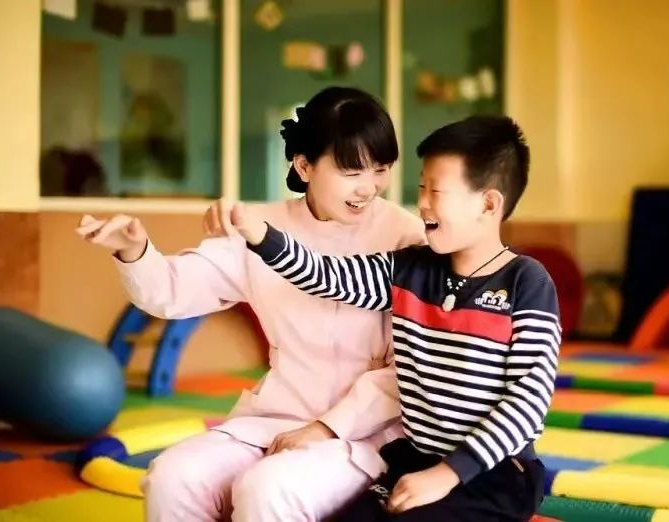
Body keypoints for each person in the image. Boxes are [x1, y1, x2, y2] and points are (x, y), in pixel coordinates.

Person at [75, 86, 424, 522]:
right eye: (352, 171)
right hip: (274, 419)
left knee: (268, 489)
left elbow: (411, 369)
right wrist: (134, 250)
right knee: (172, 478)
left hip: (368, 434)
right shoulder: (261, 227)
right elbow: (171, 292)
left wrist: (327, 428)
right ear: (305, 166)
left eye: (381, 169)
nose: (369, 187)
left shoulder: (406, 235)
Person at [233, 115, 560, 521]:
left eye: (436, 191)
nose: (422, 203)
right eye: (421, 187)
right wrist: (262, 237)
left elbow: (527, 401)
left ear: (488, 204)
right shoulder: (408, 269)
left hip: (494, 473)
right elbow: (328, 276)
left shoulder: (527, 282)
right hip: (416, 460)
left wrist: (447, 474)